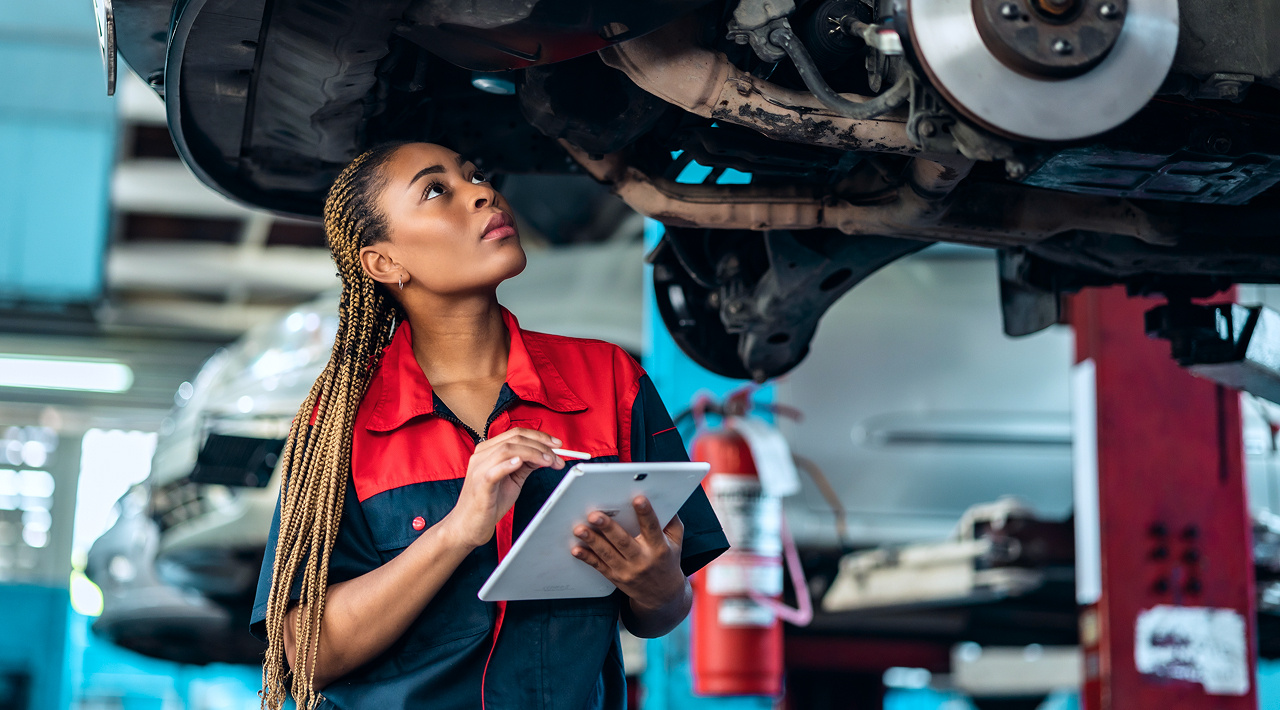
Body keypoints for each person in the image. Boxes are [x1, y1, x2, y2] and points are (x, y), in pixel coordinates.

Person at [249, 141, 729, 710]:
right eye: (436, 190)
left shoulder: (610, 380)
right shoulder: (340, 427)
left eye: (475, 175)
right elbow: (301, 658)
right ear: (384, 262)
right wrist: (457, 532)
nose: (482, 193)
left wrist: (659, 586)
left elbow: (661, 615)